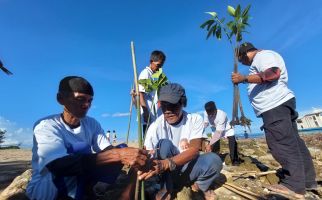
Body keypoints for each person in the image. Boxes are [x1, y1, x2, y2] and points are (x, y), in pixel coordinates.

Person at [26, 76, 148, 200]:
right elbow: (57, 166)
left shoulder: (91, 123)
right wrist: (119, 155)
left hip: (79, 178)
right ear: (60, 99)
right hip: (49, 189)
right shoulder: (46, 125)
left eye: (90, 100)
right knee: (82, 149)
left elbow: (108, 150)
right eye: (80, 99)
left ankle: (92, 191)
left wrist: (133, 156)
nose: (87, 105)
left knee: (122, 148)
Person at [231, 42, 317, 198]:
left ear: (244, 53)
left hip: (274, 107)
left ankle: (294, 185)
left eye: (242, 60)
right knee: (294, 142)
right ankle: (307, 181)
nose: (243, 63)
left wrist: (244, 78)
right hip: (279, 105)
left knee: (281, 143)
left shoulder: (262, 56)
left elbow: (273, 73)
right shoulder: (264, 57)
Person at [139, 83, 223, 200]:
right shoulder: (155, 126)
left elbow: (194, 151)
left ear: (182, 103)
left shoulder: (194, 119)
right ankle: (166, 188)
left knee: (215, 160)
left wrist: (167, 163)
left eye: (172, 106)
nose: (168, 111)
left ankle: (198, 185)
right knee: (164, 144)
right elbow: (146, 153)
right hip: (166, 174)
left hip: (188, 169)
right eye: (164, 106)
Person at [203, 101, 241, 165]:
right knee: (214, 145)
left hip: (227, 129)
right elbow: (206, 123)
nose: (211, 116)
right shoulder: (206, 113)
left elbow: (219, 133)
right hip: (215, 129)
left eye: (212, 114)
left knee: (232, 143)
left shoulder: (222, 115)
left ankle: (235, 160)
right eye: (209, 114)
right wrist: (200, 128)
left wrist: (209, 145)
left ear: (215, 110)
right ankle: (215, 159)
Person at [138, 50, 166, 135]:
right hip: (147, 113)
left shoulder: (153, 75)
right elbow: (140, 93)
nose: (159, 68)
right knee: (148, 138)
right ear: (151, 62)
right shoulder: (145, 73)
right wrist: (145, 111)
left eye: (161, 66)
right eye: (158, 65)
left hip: (153, 113)